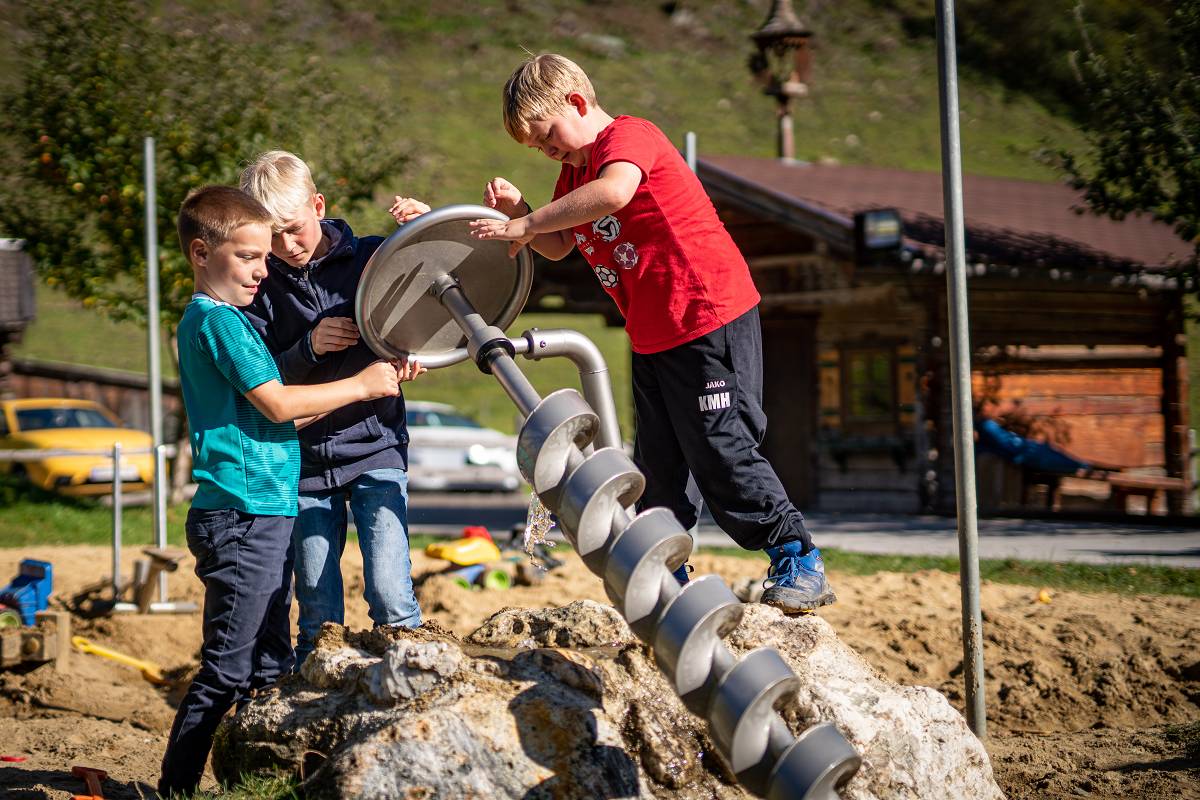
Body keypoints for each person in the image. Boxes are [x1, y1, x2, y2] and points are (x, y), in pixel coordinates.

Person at [462, 53, 835, 613]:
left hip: (706, 315)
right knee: (660, 463)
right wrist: (525, 211)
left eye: (548, 136)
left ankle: (796, 554)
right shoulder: (573, 175)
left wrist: (531, 221)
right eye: (536, 149)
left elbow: (615, 193)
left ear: (577, 103)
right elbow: (562, 245)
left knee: (720, 445)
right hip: (653, 333)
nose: (547, 151)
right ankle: (669, 571)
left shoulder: (628, 138)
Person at [160, 185, 418, 797]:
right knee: (228, 668)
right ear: (201, 253)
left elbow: (273, 420)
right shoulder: (218, 322)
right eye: (248, 256)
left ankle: (261, 780)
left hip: (266, 509)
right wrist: (361, 385)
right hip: (241, 514)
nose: (262, 268)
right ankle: (175, 788)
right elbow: (277, 403)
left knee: (272, 666)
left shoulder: (232, 321)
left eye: (264, 256)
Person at [239, 151, 431, 669]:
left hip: (375, 449)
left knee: (390, 592)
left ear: (318, 206)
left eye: (295, 229)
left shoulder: (372, 258)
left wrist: (424, 231)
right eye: (271, 236)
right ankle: (313, 717)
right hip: (303, 465)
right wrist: (309, 347)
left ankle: (414, 689)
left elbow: (432, 301)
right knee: (319, 614)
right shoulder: (256, 289)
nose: (286, 246)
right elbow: (257, 376)